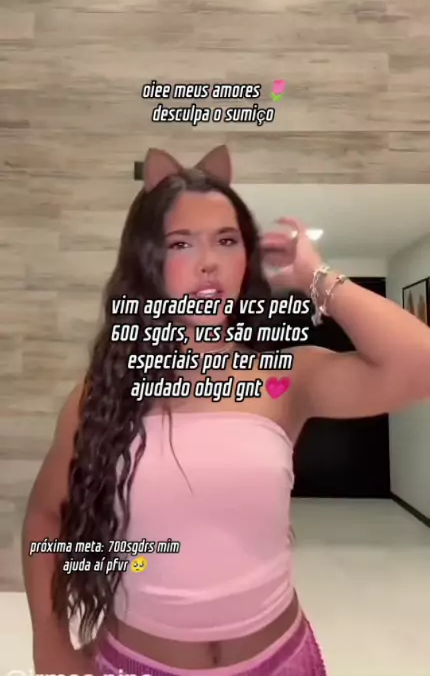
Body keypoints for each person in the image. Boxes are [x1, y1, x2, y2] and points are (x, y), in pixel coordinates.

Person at [22, 145, 430, 676]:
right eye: (181, 243)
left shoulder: (285, 379)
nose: (208, 261)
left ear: (245, 261)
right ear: (148, 264)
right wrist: (49, 638)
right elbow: (46, 516)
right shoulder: (100, 396)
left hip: (281, 661)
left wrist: (317, 278)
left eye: (226, 240)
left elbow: (420, 365)